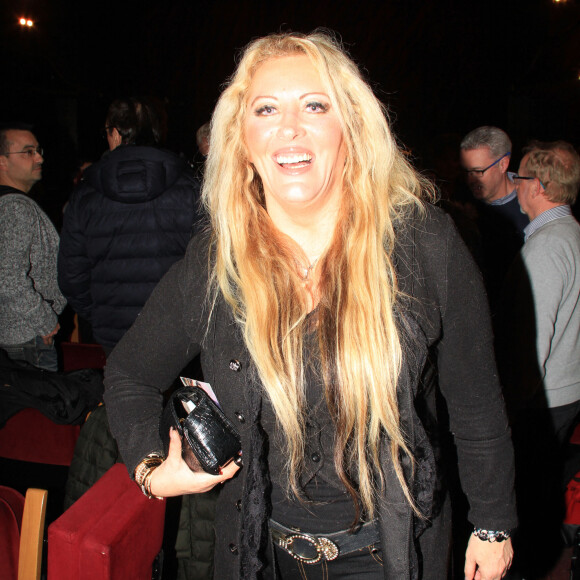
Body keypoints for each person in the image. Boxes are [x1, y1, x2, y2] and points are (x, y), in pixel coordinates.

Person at [104, 32, 516, 580]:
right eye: (266, 108)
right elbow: (130, 373)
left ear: (350, 128)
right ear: (242, 140)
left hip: (391, 553)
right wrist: (153, 469)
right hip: (261, 554)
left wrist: (492, 526)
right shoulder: (216, 261)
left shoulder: (425, 244)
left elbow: (476, 403)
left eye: (315, 105)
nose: (289, 126)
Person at [58, 97, 202, 355]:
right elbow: (210, 264)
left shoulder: (85, 194)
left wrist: (102, 313)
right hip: (178, 330)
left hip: (114, 334)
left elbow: (72, 275)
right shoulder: (190, 186)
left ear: (114, 133)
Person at [499, 141, 580, 576]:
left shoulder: (547, 248)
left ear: (540, 186)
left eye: (520, 178)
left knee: (530, 496)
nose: (514, 187)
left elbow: (533, 346)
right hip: (566, 391)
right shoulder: (572, 234)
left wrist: (509, 408)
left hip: (543, 400)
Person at [0, 123, 66, 371]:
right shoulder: (15, 207)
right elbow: (7, 279)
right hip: (26, 339)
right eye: (28, 152)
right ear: (2, 162)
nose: (39, 157)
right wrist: (45, 321)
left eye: (38, 150)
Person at [459, 126, 529, 312]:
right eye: (466, 172)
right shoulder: (460, 205)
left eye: (479, 171)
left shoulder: (533, 202)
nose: (471, 179)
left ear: (503, 164)